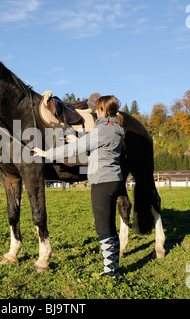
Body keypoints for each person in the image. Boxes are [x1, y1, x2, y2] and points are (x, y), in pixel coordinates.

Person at [33, 95, 125, 278]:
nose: (96, 113)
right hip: (116, 181)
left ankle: (110, 271)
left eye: (97, 109)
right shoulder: (116, 129)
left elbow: (72, 151)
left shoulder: (101, 131)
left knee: (103, 229)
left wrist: (46, 153)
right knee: (112, 228)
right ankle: (114, 267)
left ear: (103, 111)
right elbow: (99, 151)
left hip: (102, 183)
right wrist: (79, 142)